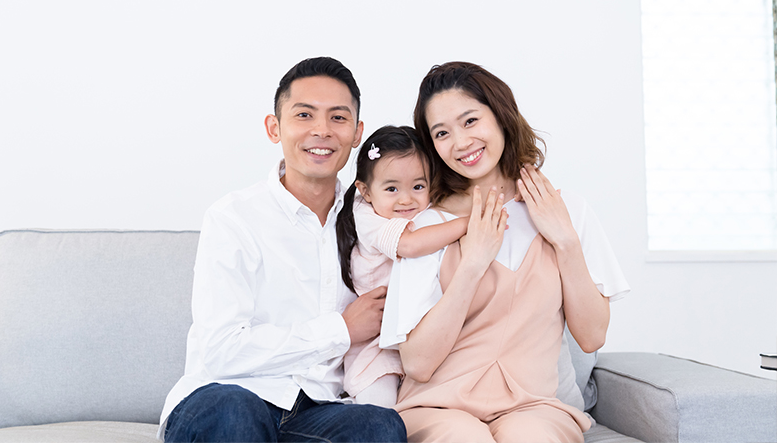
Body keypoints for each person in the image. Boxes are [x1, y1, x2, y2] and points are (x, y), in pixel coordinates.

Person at [159, 57, 407, 443]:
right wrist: (340, 330)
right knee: (235, 411)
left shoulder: (374, 221)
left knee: (381, 426)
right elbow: (222, 351)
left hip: (318, 411)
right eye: (304, 115)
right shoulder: (233, 217)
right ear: (274, 128)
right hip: (227, 398)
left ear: (357, 133)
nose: (322, 130)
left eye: (338, 118)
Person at [380, 61, 630, 443]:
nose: (460, 142)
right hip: (438, 407)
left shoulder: (568, 210)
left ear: (500, 116)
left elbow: (592, 336)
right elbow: (418, 364)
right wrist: (472, 265)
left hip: (534, 408)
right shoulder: (426, 228)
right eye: (442, 133)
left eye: (470, 121)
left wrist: (565, 241)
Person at [335, 125, 468, 407]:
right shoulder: (366, 215)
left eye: (418, 187)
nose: (406, 199)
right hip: (376, 343)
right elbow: (409, 245)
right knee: (380, 410)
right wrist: (470, 223)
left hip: (418, 336)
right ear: (365, 191)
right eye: (392, 189)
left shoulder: (426, 211)